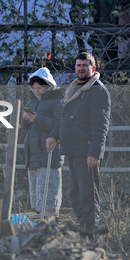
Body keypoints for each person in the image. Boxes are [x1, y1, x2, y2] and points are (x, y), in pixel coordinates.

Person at [47, 52, 111, 234]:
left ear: (93, 68)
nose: (81, 68)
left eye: (85, 65)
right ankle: (86, 230)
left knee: (88, 196)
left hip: (86, 151)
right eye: (78, 65)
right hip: (72, 151)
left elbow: (101, 125)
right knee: (75, 197)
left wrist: (95, 153)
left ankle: (90, 234)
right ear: (75, 68)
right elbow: (65, 120)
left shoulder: (98, 91)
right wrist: (53, 135)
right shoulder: (75, 89)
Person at [22, 68, 64, 219]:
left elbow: (60, 125)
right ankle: (40, 229)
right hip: (33, 153)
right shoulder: (32, 101)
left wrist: (36, 119)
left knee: (49, 192)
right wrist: (25, 119)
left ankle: (52, 225)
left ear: (48, 86)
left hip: (48, 152)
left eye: (39, 88)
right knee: (37, 194)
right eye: (34, 88)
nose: (36, 91)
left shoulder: (57, 102)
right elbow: (25, 127)